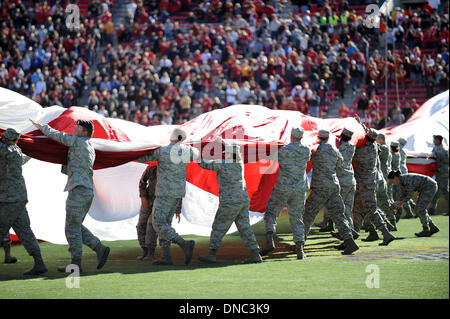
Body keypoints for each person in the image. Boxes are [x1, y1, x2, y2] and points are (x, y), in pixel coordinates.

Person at [29, 119, 110, 272]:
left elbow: (59, 136)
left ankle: (77, 263)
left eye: (77, 128)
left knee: (71, 228)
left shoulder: (79, 142)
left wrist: (42, 127)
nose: (74, 129)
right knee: (76, 226)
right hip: (85, 190)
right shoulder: (88, 146)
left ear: (84, 132)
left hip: (78, 190)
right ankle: (99, 249)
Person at [136, 127, 199, 265]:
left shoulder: (163, 151)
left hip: (164, 193)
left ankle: (184, 244)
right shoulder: (188, 151)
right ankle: (166, 256)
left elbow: (143, 158)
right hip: (178, 193)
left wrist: (131, 152)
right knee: (166, 223)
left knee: (158, 223)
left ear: (171, 137)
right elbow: (197, 153)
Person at [197, 138, 262, 264]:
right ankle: (255, 254)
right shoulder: (239, 162)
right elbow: (233, 151)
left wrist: (196, 154)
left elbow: (204, 164)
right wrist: (223, 143)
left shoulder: (222, 163)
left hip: (229, 201)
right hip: (242, 199)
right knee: (244, 227)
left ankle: (212, 254)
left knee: (218, 226)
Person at [302, 130, 359, 255]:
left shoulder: (316, 149)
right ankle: (350, 242)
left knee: (308, 215)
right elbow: (340, 164)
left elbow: (306, 158)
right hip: (333, 186)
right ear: (328, 138)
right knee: (339, 216)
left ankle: (299, 245)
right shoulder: (335, 150)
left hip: (320, 187)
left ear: (319, 138)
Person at [0, 128, 47, 275]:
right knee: (25, 231)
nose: (3, 139)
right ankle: (39, 263)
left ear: (13, 141)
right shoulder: (17, 151)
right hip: (17, 198)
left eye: (5, 138)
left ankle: (39, 264)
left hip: (10, 199)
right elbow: (24, 158)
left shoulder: (10, 151)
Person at [260, 127, 311, 259]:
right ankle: (300, 250)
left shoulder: (283, 150)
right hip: (299, 189)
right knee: (297, 218)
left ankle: (269, 241)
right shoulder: (306, 150)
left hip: (283, 187)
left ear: (291, 135)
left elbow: (268, 156)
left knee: (271, 212)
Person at [352, 115, 396, 246]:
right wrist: (361, 124)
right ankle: (354, 233)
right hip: (371, 182)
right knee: (358, 209)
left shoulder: (364, 150)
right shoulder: (375, 147)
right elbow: (368, 134)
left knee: (371, 209)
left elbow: (351, 155)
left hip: (367, 184)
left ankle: (386, 233)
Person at [136, 165, 181, 261]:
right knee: (141, 225)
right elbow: (142, 182)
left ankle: (151, 253)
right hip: (148, 200)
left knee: (151, 225)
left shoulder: (172, 171)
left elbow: (178, 191)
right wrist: (143, 197)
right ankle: (145, 250)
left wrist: (177, 209)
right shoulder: (151, 168)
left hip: (161, 203)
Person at [388, 171, 440, 237]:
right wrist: (398, 202)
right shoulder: (401, 181)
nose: (393, 183)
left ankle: (426, 230)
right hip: (426, 187)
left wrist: (401, 203)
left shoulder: (405, 179)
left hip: (429, 186)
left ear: (395, 178)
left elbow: (410, 194)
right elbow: (404, 194)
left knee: (420, 209)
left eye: (392, 181)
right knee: (420, 209)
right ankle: (432, 227)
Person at [331, 127, 358, 246]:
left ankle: (347, 235)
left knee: (340, 211)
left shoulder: (338, 147)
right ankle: (350, 232)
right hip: (351, 179)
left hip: (341, 180)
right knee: (348, 209)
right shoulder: (352, 146)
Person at [429, 135, 449, 215]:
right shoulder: (435, 148)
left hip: (443, 174)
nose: (433, 141)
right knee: (442, 192)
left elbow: (447, 164)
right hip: (439, 174)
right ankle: (431, 209)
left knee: (442, 192)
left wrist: (438, 169)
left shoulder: (443, 151)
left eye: (435, 140)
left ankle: (431, 209)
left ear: (439, 141)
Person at [398, 137, 416, 218]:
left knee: (403, 194)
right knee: (405, 194)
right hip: (404, 172)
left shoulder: (398, 150)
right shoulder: (403, 151)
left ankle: (409, 212)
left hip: (400, 174)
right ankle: (416, 209)